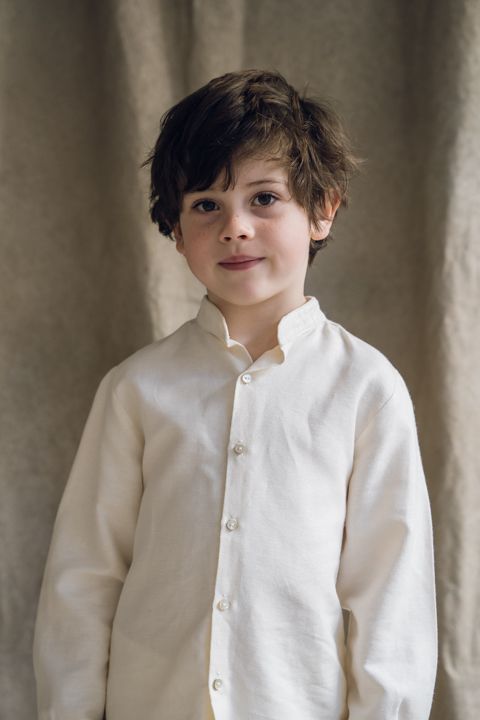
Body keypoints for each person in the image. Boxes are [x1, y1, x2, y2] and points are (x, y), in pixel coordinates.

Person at [33, 68, 437, 720]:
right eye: (206, 205)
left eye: (265, 198)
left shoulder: (366, 389)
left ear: (323, 210)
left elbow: (392, 597)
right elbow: (84, 580)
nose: (235, 227)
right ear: (175, 230)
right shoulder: (136, 389)